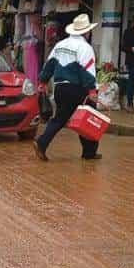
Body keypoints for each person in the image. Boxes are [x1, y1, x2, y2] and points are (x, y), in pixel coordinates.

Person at [34, 13, 100, 162]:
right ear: (86, 32)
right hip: (77, 89)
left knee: (59, 119)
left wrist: (43, 82)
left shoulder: (60, 45)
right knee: (88, 118)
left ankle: (43, 143)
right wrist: (92, 91)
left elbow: (49, 64)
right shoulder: (85, 48)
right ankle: (88, 152)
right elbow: (87, 71)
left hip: (60, 88)